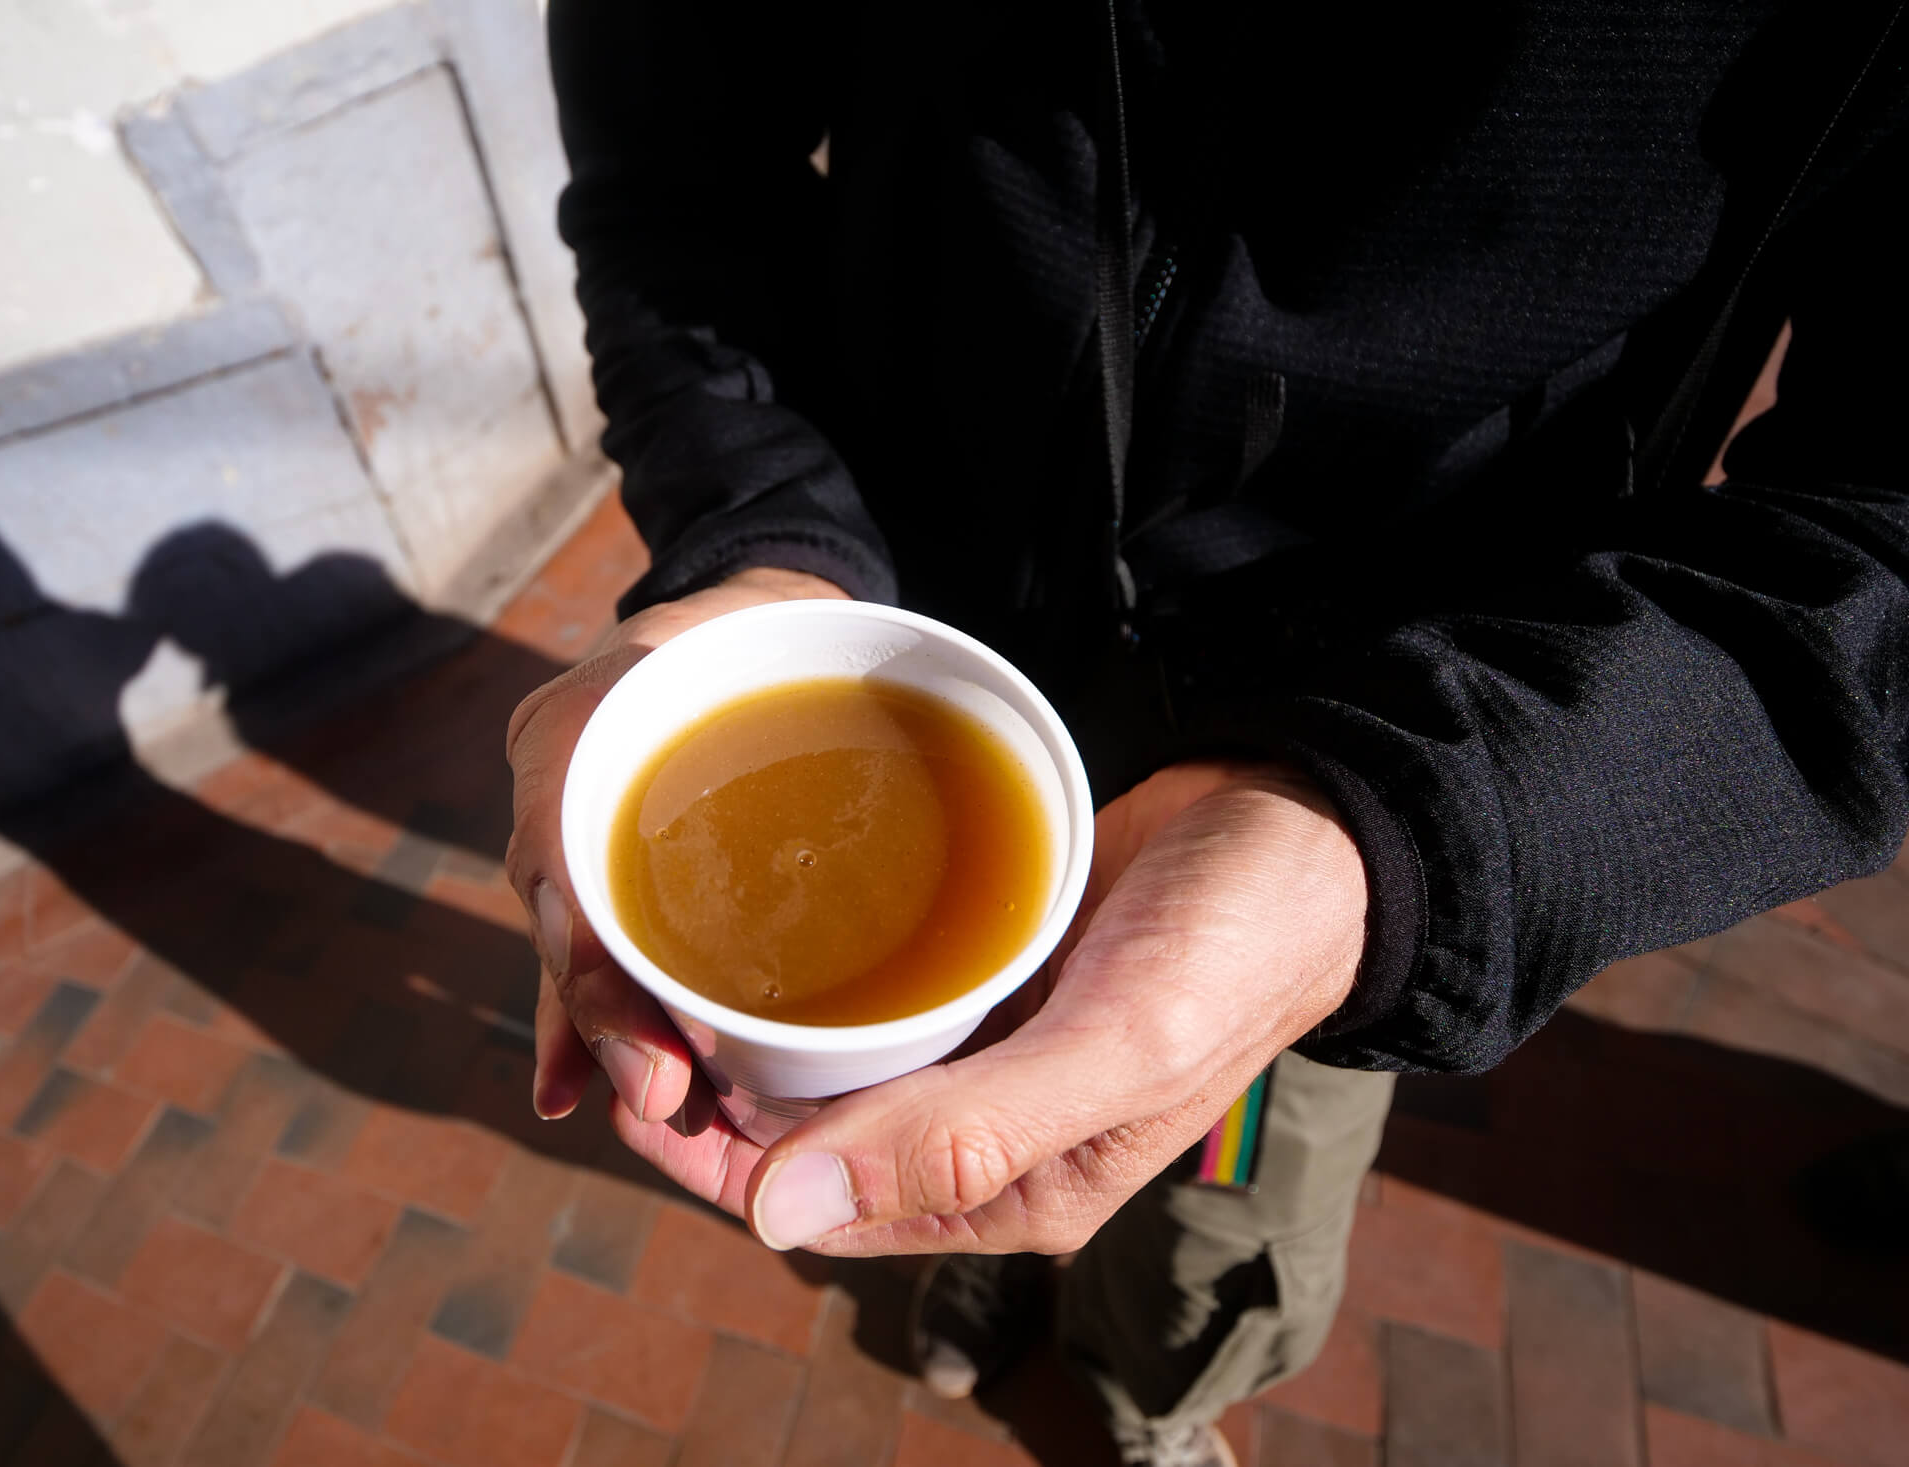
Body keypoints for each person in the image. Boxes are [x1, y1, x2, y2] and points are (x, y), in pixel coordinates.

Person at [506, 5, 1909, 1464]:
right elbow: (677, 173)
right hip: (918, 615)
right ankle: (975, 1260)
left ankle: (1145, 1405)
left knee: (1215, 1226)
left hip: (1364, 760)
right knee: (935, 1117)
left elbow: (1881, 543)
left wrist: (1409, 832)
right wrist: (762, 539)